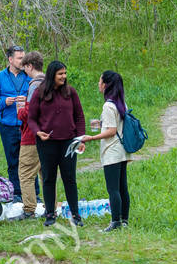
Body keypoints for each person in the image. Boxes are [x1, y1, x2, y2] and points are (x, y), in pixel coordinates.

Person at [32, 60, 85, 227]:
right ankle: (50, 214)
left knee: (70, 178)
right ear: (52, 75)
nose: (64, 77)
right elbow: (31, 119)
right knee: (48, 178)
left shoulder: (71, 92)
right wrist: (38, 132)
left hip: (69, 143)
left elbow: (79, 117)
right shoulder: (39, 93)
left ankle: (75, 215)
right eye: (60, 74)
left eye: (65, 73)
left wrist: (80, 138)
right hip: (47, 143)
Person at [79, 70, 132, 232]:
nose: (98, 83)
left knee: (113, 188)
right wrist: (101, 123)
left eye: (100, 81)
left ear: (106, 84)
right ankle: (124, 220)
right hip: (122, 150)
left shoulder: (108, 105)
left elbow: (111, 131)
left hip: (112, 151)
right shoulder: (121, 103)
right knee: (122, 187)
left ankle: (115, 221)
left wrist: (91, 138)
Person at [0, 46, 30, 199]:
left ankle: (34, 195)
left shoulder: (29, 76)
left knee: (30, 162)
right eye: (20, 58)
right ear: (10, 60)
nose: (23, 61)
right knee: (13, 162)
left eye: (24, 57)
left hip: (27, 126)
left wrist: (27, 101)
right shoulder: (0, 77)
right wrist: (5, 102)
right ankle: (17, 194)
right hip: (8, 126)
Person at [16, 51, 45, 219]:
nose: (25, 72)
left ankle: (29, 209)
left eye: (25, 68)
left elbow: (30, 112)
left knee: (26, 173)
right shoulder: (51, 82)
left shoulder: (35, 85)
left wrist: (20, 110)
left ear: (29, 66)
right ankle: (51, 208)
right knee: (46, 174)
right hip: (48, 135)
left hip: (31, 136)